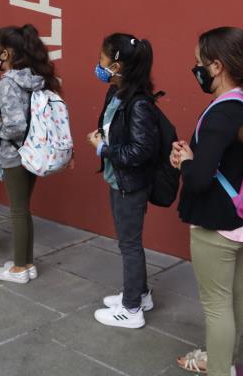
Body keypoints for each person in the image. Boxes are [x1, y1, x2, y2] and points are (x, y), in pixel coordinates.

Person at [171, 27, 243, 376]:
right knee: (233, 296)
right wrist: (191, 157)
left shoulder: (220, 114)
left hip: (215, 224)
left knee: (216, 306)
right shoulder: (242, 105)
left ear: (218, 66)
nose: (196, 69)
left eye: (199, 63)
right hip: (236, 218)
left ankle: (220, 367)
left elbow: (198, 179)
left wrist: (184, 161)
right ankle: (225, 359)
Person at [87, 34, 159, 329]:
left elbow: (141, 150)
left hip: (130, 183)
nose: (99, 64)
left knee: (129, 244)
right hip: (118, 178)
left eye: (103, 58)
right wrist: (102, 139)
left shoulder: (139, 102)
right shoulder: (116, 92)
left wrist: (104, 148)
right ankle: (140, 294)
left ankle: (131, 310)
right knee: (128, 242)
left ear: (116, 64)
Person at [0, 24, 60, 283]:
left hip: (15, 153)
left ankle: (19, 268)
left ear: (6, 53)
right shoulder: (35, 77)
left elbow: (16, 126)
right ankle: (26, 262)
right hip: (35, 151)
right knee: (23, 209)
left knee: (18, 210)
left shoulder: (8, 82)